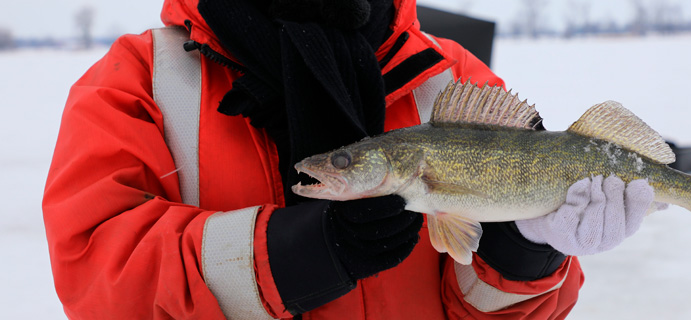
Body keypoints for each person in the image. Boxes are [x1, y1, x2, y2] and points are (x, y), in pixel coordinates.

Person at [42, 0, 659, 319]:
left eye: (344, 163)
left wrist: (528, 250)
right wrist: (290, 257)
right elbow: (94, 280)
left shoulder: (451, 80)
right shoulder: (138, 83)